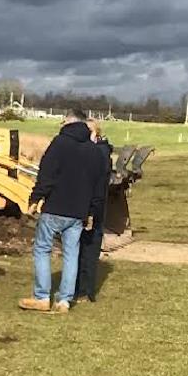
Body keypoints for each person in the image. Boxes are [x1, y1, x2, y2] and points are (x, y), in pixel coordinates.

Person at [19, 109, 106, 314]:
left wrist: (35, 198)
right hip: (78, 213)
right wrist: (92, 211)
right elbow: (98, 185)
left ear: (68, 122)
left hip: (55, 208)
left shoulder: (59, 144)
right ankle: (65, 300)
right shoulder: (94, 151)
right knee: (71, 254)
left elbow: (46, 175)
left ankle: (41, 297)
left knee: (42, 249)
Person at [75, 118, 113, 302]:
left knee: (88, 251)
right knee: (81, 249)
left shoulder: (100, 154)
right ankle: (78, 288)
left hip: (94, 209)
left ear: (95, 134)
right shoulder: (98, 152)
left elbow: (96, 186)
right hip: (89, 206)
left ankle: (85, 291)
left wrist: (91, 212)